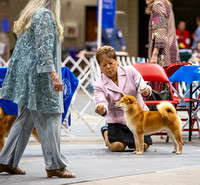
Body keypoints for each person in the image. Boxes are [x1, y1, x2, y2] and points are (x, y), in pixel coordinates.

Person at [0, 0, 76, 178]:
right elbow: (43, 48)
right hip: (40, 77)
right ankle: (54, 165)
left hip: (27, 76)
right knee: (50, 117)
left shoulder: (30, 15)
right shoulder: (44, 15)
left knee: (25, 119)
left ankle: (6, 161)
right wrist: (53, 74)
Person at [93, 46, 152, 152]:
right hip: (117, 121)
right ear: (100, 67)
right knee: (117, 147)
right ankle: (106, 132)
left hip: (138, 117)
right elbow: (101, 101)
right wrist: (101, 109)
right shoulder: (98, 84)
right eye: (104, 65)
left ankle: (131, 141)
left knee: (143, 146)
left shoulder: (130, 71)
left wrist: (145, 90)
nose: (108, 67)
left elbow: (142, 84)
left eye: (111, 63)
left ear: (116, 61)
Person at [145, 0, 180, 67]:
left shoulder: (158, 6)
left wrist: (155, 54)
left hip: (164, 56)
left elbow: (161, 31)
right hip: (171, 53)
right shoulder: (166, 4)